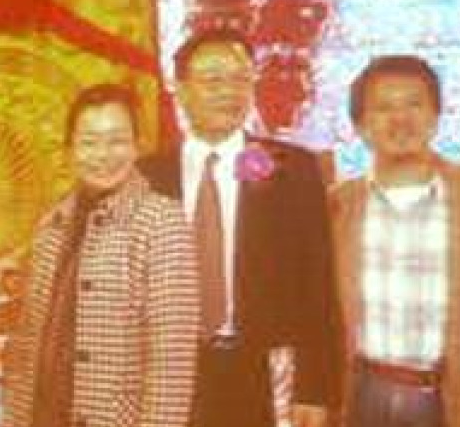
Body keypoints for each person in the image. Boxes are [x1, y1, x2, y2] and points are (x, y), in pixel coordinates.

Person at [141, 29, 342, 427]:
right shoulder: (147, 175)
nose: (228, 92)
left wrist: (315, 388)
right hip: (168, 372)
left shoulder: (293, 169)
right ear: (181, 90)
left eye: (240, 79)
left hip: (262, 371)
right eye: (212, 80)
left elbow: (317, 284)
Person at [1, 83, 200, 427]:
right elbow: (28, 342)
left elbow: (171, 365)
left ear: (138, 146)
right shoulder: (52, 223)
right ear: (70, 149)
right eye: (89, 142)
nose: (103, 155)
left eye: (117, 141)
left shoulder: (160, 222)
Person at [331, 55, 460, 427]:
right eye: (383, 108)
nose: (400, 119)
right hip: (361, 393)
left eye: (414, 104)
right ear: (360, 126)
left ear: (436, 115)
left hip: (456, 397)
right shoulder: (337, 205)